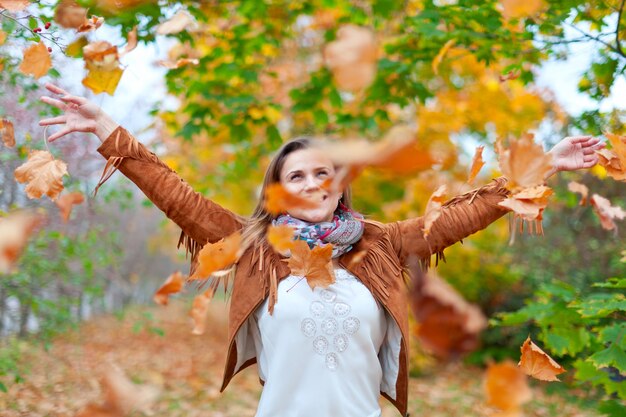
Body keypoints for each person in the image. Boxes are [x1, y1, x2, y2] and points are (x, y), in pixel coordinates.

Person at [39, 82, 603, 417]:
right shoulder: (255, 246)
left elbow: (459, 215)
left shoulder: (380, 244)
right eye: (297, 176)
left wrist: (544, 165)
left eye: (323, 172)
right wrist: (109, 130)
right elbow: (177, 194)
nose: (313, 183)